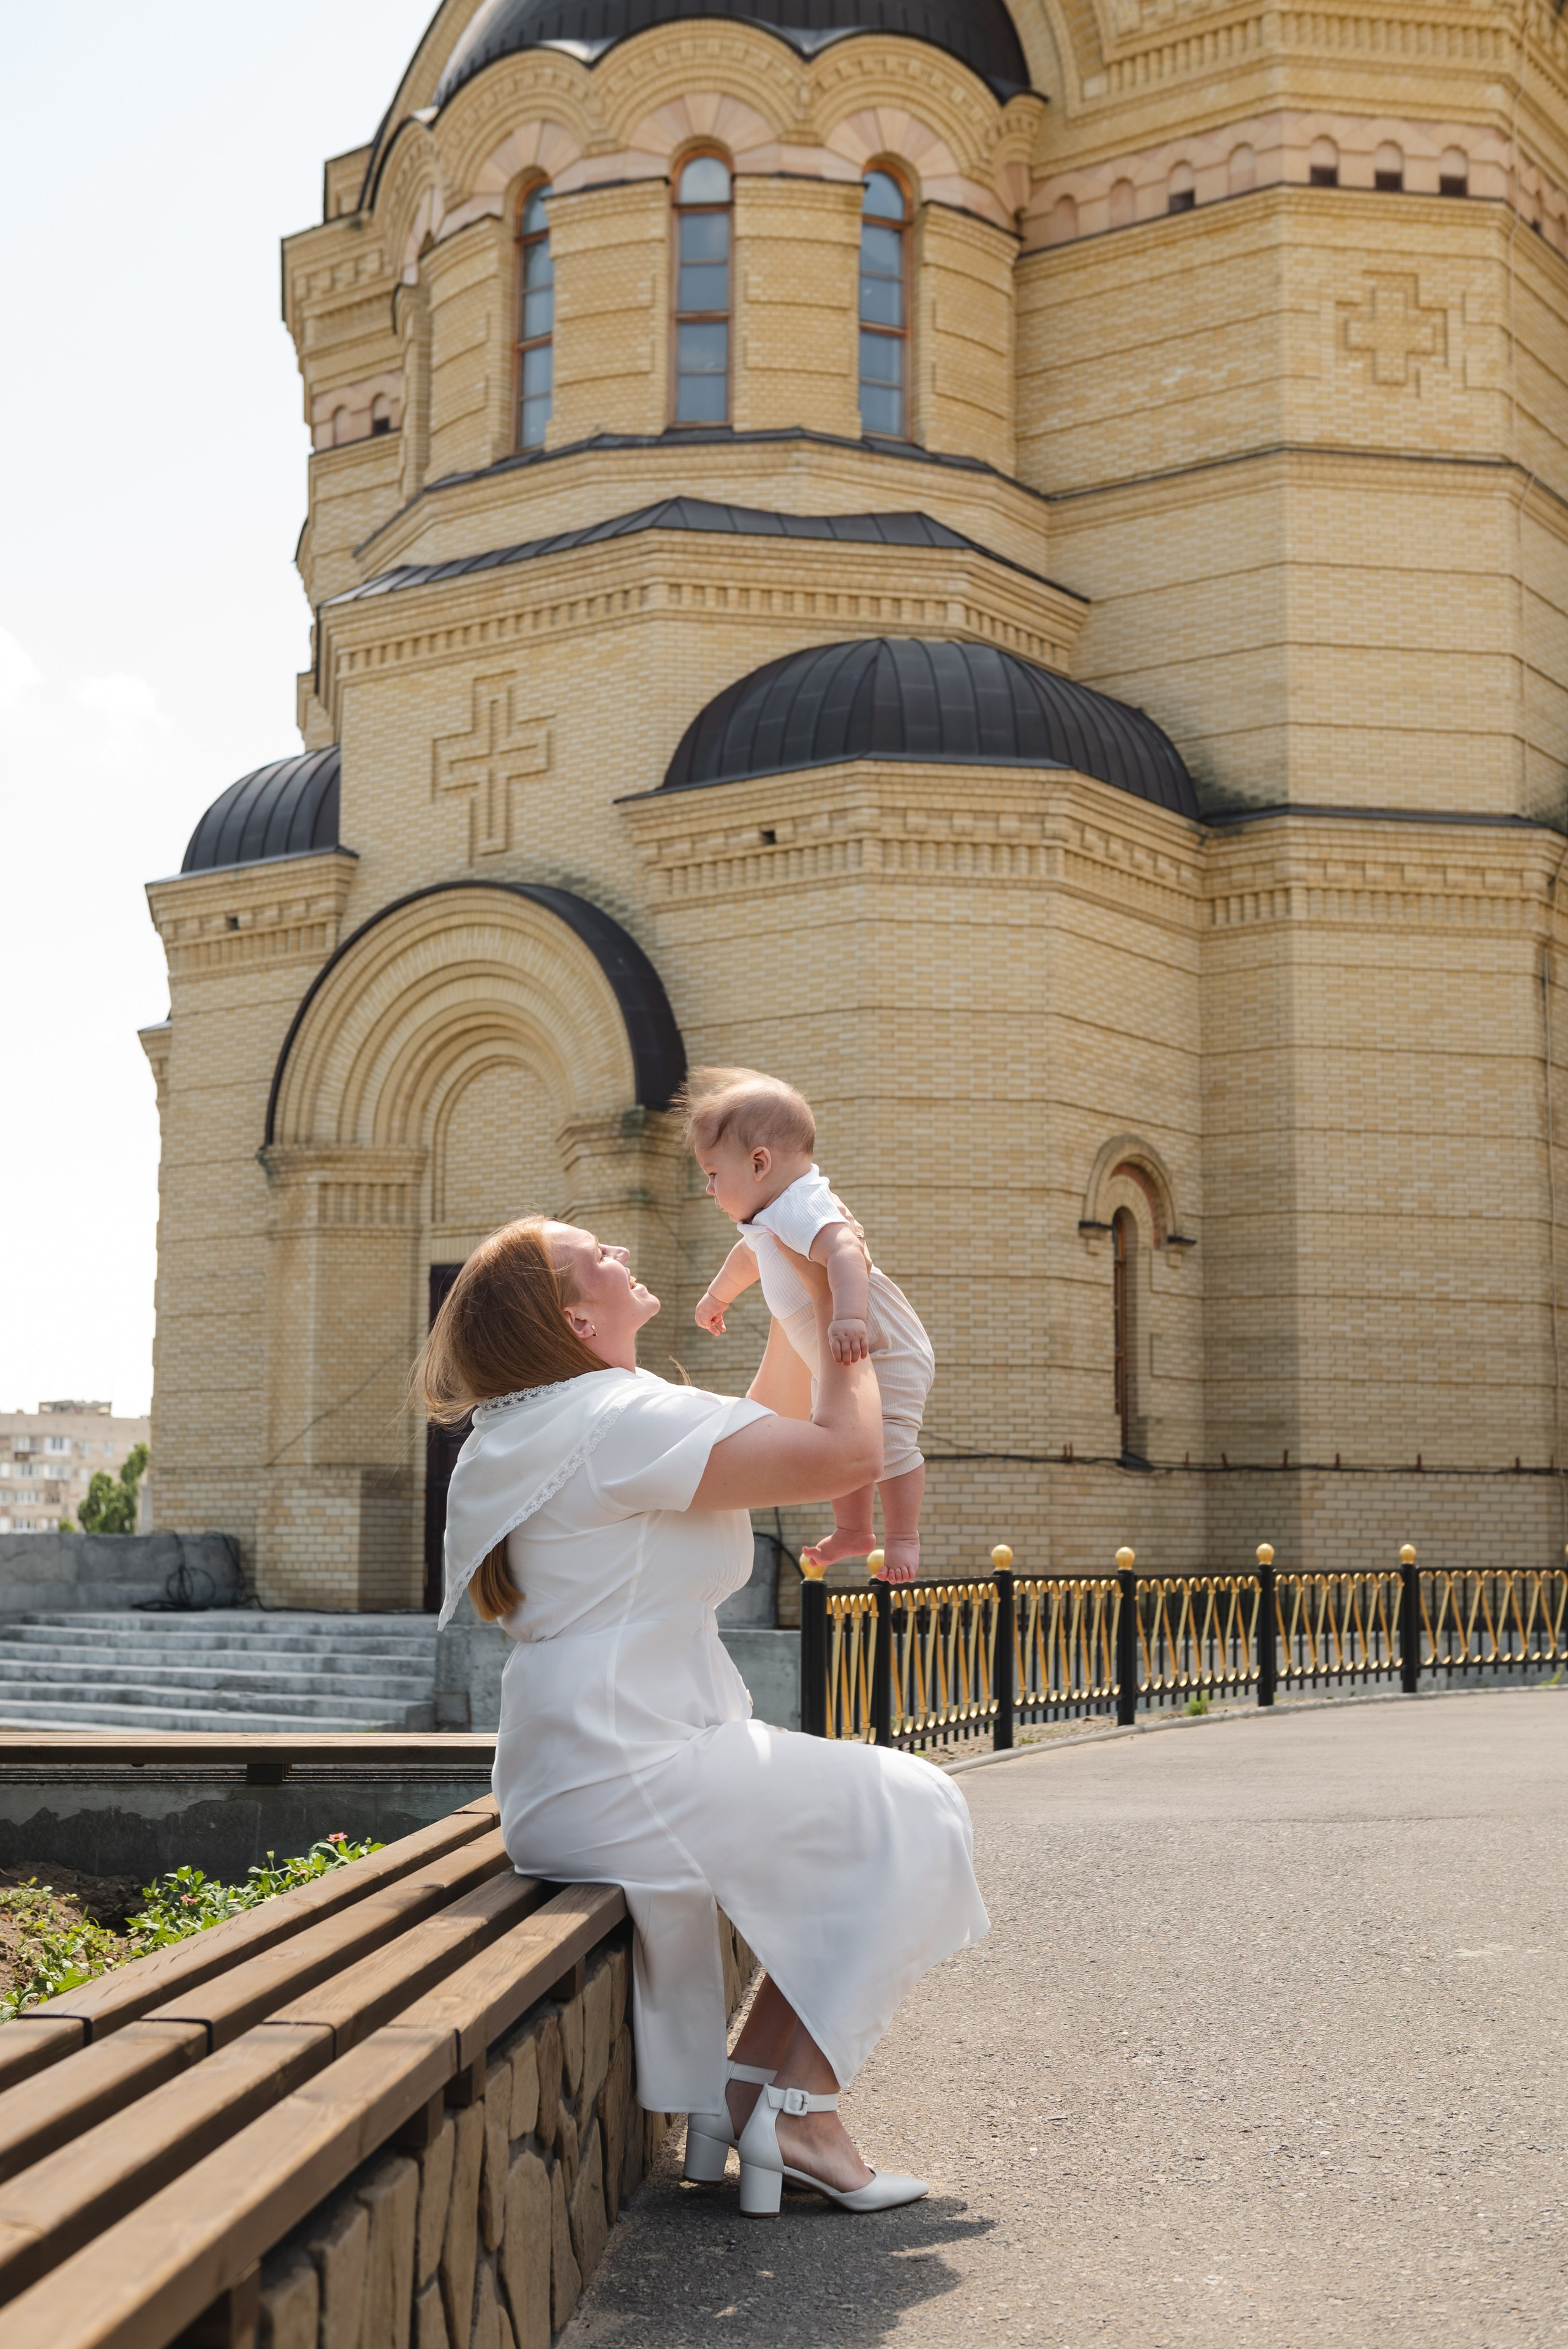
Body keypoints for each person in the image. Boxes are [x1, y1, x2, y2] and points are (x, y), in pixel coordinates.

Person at [425, 1215, 987, 2216]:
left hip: (593, 1759)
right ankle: (800, 2111)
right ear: (575, 1316)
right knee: (921, 1809)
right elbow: (847, 1453)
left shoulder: (560, 1418)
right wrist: (840, 1308)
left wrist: (788, 1285)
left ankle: (748, 2094)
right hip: (628, 1762)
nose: (619, 1252)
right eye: (594, 1255)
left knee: (894, 1814)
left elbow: (763, 1423)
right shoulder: (613, 1419)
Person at [683, 1067, 935, 1582]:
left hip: (882, 1344)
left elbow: (846, 1250)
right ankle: (854, 1530)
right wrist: (718, 1295)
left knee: (888, 1442)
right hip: (836, 1348)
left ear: (759, 1163)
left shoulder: (799, 1204)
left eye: (713, 1173)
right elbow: (749, 1258)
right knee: (839, 1434)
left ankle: (903, 1537)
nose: (709, 1189)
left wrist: (848, 1316)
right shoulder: (768, 1216)